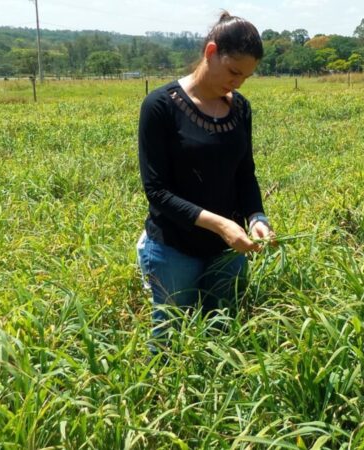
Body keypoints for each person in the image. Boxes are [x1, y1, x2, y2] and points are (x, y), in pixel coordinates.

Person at [136, 11, 274, 344]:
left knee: (223, 332)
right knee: (170, 339)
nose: (238, 83)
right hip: (174, 250)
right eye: (233, 71)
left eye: (246, 77)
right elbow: (157, 191)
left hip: (229, 251)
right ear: (211, 53)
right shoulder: (160, 106)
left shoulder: (240, 108)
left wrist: (256, 216)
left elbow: (245, 173)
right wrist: (223, 225)